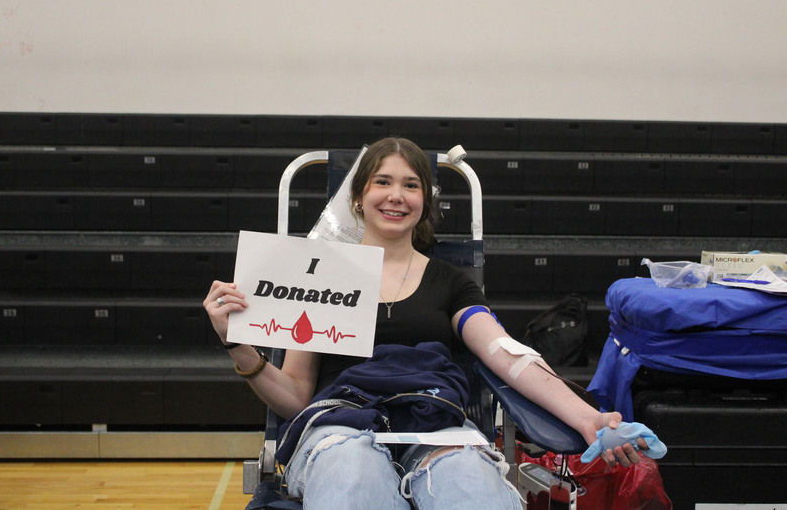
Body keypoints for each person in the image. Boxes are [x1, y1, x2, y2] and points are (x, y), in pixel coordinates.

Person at [204, 138, 647, 509]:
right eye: (383, 182)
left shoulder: (450, 282)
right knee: (352, 471)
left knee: (468, 482)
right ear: (357, 197)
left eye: (411, 185)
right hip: (340, 427)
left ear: (425, 202)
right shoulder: (319, 276)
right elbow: (296, 397)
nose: (396, 195)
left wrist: (589, 418)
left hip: (435, 424)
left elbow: (505, 354)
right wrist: (236, 344)